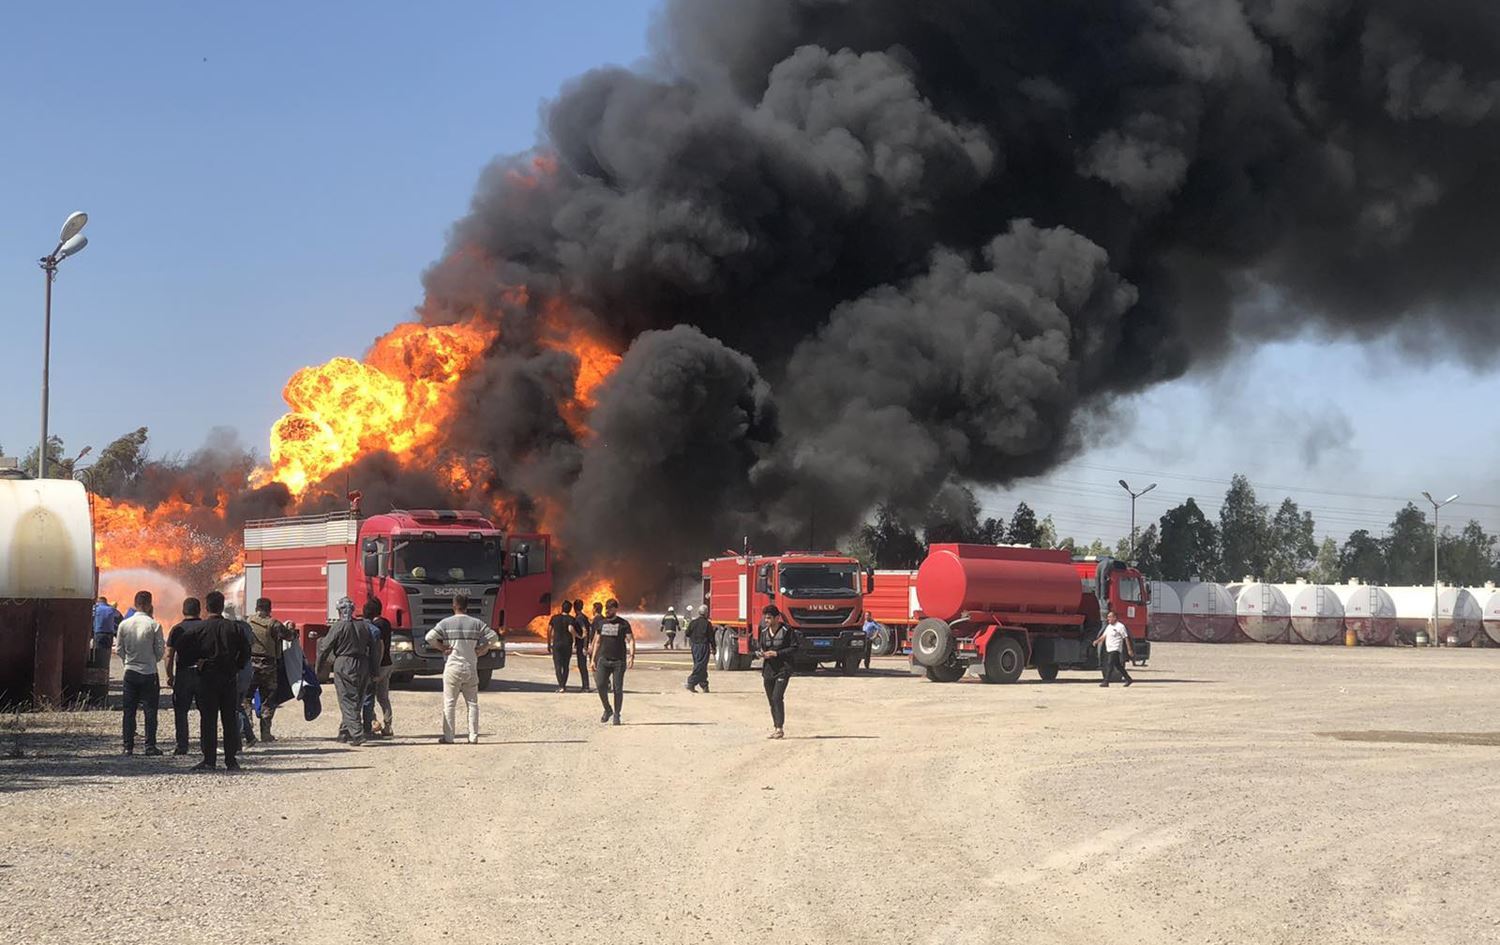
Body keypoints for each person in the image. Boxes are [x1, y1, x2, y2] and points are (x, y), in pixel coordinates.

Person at [179, 590, 251, 771]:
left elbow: (182, 650)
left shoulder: (199, 629)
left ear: (206, 607)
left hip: (207, 678)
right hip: (228, 678)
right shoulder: (234, 628)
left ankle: (209, 760)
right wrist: (237, 666)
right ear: (221, 606)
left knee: (208, 719)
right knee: (229, 719)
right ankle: (231, 760)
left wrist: (196, 661)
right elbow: (246, 652)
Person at [426, 594, 500, 744]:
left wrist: (441, 647)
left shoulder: (445, 623)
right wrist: (483, 648)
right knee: (472, 703)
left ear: (454, 605)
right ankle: (473, 736)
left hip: (452, 667)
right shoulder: (476, 623)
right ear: (467, 606)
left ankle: (449, 737)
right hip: (470, 667)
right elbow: (494, 637)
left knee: (449, 703)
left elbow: (429, 637)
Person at [318, 597, 380, 745]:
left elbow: (324, 648)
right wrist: (374, 670)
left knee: (346, 700)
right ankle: (344, 733)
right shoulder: (364, 626)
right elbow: (374, 650)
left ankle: (358, 735)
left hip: (344, 664)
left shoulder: (338, 627)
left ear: (339, 611)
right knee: (357, 699)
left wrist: (318, 669)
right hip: (363, 663)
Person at [116, 591, 166, 756]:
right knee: (150, 711)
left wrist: (128, 662)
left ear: (135, 603)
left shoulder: (124, 624)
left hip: (130, 672)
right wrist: (151, 660)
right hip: (149, 673)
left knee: (129, 711)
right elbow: (160, 651)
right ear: (149, 604)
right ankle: (150, 746)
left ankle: (127, 746)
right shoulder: (154, 625)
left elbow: (119, 649)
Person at [246, 597, 297, 743]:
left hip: (250, 665)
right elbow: (289, 637)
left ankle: (247, 730)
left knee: (246, 698)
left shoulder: (248, 621)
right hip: (269, 666)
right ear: (269, 609)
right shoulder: (274, 624)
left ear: (256, 607)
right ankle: (266, 733)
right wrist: (293, 631)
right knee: (268, 700)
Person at [164, 598, 203, 756]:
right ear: (199, 610)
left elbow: (169, 654)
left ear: (183, 611)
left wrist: (169, 675)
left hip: (183, 673)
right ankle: (206, 744)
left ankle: (182, 746)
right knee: (206, 711)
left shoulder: (177, 629)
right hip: (203, 674)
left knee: (181, 711)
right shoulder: (205, 627)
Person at [589, 598, 634, 725]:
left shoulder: (623, 624)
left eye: (610, 608)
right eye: (606, 608)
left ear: (615, 609)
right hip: (603, 660)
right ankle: (607, 709)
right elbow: (597, 641)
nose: (607, 610)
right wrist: (593, 660)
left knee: (617, 689)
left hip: (619, 661)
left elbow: (630, 640)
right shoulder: (601, 623)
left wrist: (632, 656)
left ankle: (617, 714)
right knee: (600, 685)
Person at [757, 605, 799, 739]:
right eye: (765, 618)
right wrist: (761, 654)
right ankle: (776, 727)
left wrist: (777, 653)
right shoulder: (763, 632)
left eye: (769, 618)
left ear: (777, 618)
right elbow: (760, 647)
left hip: (783, 669)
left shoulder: (787, 631)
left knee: (777, 697)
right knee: (771, 700)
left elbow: (795, 647)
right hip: (768, 670)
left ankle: (780, 728)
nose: (766, 620)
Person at [362, 599, 395, 737]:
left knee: (368, 694)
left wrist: (375, 666)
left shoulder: (376, 626)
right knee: (383, 697)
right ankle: (388, 726)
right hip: (388, 663)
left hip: (379, 665)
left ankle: (374, 722)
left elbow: (379, 646)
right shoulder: (386, 623)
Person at [1092, 610, 1135, 688]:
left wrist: (1129, 649)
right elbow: (1104, 636)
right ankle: (1128, 679)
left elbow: (1126, 638)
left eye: (1110, 617)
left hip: (1116, 648)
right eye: (1108, 617)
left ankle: (1106, 681)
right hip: (1109, 648)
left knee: (1110, 664)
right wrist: (1097, 641)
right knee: (1118, 666)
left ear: (1115, 617)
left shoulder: (1120, 626)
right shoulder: (1109, 626)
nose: (1108, 618)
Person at [684, 601, 714, 693]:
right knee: (700, 665)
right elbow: (711, 637)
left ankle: (704, 685)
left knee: (701, 665)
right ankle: (691, 682)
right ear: (706, 613)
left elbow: (687, 633)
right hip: (703, 646)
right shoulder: (707, 624)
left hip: (694, 647)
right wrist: (714, 647)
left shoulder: (693, 622)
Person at [548, 601, 575, 693]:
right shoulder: (571, 619)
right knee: (566, 665)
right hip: (567, 644)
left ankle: (561, 686)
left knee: (558, 666)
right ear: (570, 609)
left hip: (557, 644)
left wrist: (548, 643)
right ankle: (564, 685)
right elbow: (570, 629)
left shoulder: (554, 618)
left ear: (561, 608)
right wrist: (575, 638)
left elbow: (549, 630)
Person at [571, 598, 591, 692]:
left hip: (582, 646)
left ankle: (586, 686)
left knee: (582, 666)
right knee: (582, 666)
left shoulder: (579, 618)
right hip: (581, 644)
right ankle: (585, 686)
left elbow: (585, 631)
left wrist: (584, 646)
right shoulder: (583, 617)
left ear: (574, 608)